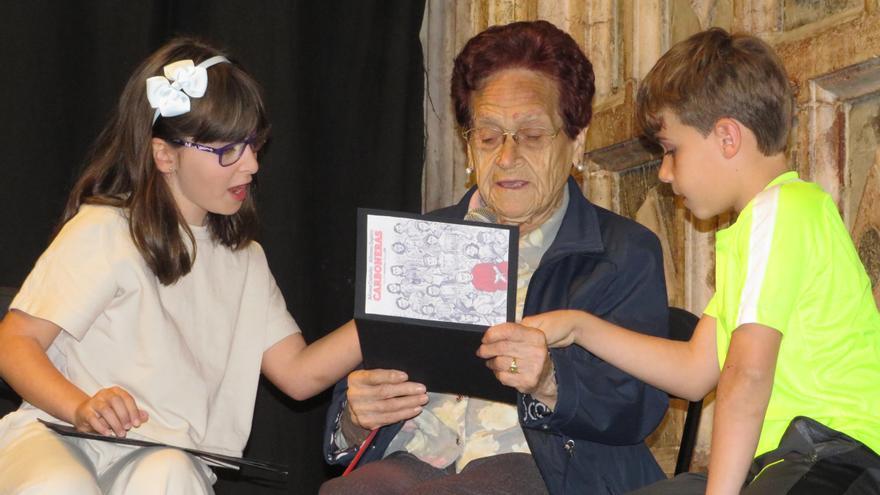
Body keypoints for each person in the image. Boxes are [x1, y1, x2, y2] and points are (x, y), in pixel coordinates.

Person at [507, 28, 880, 494]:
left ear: (726, 137)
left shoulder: (781, 211)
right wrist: (580, 325)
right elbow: (695, 370)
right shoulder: (759, 228)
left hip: (837, 454)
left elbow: (747, 375)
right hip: (786, 461)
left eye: (671, 150)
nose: (664, 173)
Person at [322, 20, 670, 495]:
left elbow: (638, 407)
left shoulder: (620, 251)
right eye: (488, 137)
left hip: (545, 465)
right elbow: (358, 390)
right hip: (417, 456)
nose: (506, 158)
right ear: (469, 145)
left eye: (530, 135)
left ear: (576, 141)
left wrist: (550, 380)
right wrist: (356, 417)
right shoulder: (423, 239)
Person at [0, 38, 360, 494]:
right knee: (60, 485)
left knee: (170, 475)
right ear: (165, 155)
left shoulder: (245, 260)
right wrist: (81, 406)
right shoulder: (106, 230)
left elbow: (300, 374)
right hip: (60, 435)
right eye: (228, 149)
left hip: (162, 456)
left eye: (254, 145)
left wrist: (391, 318)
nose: (250, 165)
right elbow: (14, 341)